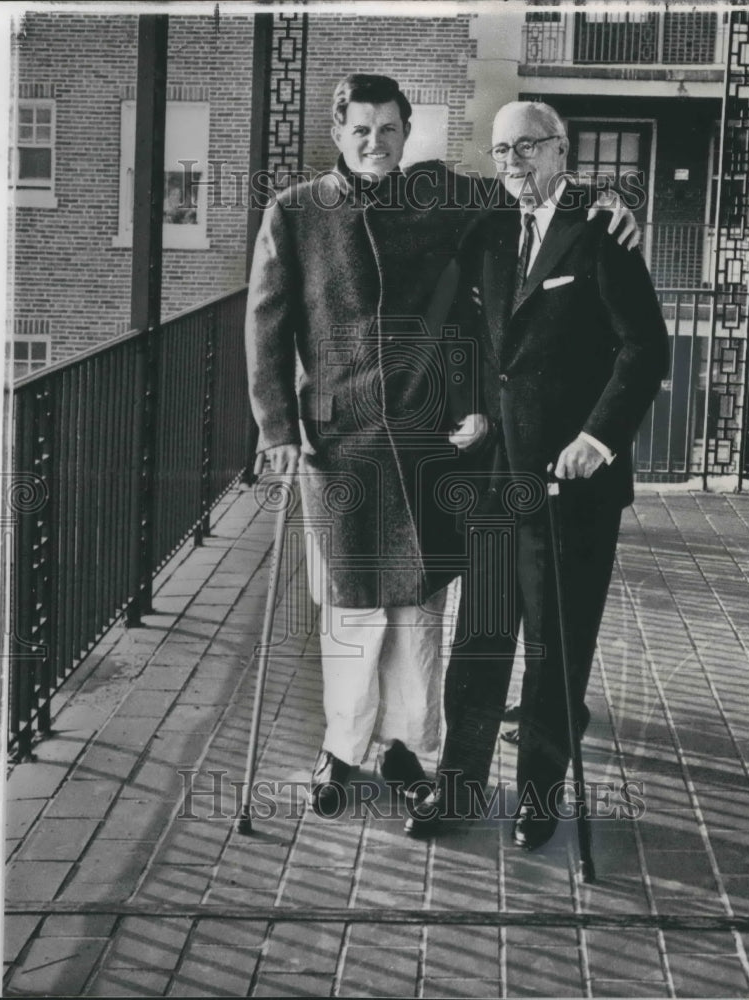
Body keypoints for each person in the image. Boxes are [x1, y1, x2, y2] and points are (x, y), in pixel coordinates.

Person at [246, 77, 639, 817]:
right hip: (339, 443)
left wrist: (603, 200)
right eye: (361, 130)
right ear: (338, 130)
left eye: (388, 130)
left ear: (406, 131)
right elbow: (265, 328)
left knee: (420, 605)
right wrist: (277, 429)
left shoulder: (439, 196)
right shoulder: (295, 211)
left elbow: (529, 187)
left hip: (428, 441)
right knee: (353, 603)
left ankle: (408, 746)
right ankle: (341, 748)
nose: (375, 143)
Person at [405, 100, 669, 849]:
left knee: (555, 650)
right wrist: (472, 408)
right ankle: (457, 793)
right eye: (499, 151)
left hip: (572, 487)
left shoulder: (599, 231)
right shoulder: (488, 228)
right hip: (496, 479)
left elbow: (643, 349)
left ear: (561, 151)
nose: (512, 164)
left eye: (526, 148)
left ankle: (537, 800)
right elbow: (470, 336)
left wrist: (597, 436)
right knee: (479, 644)